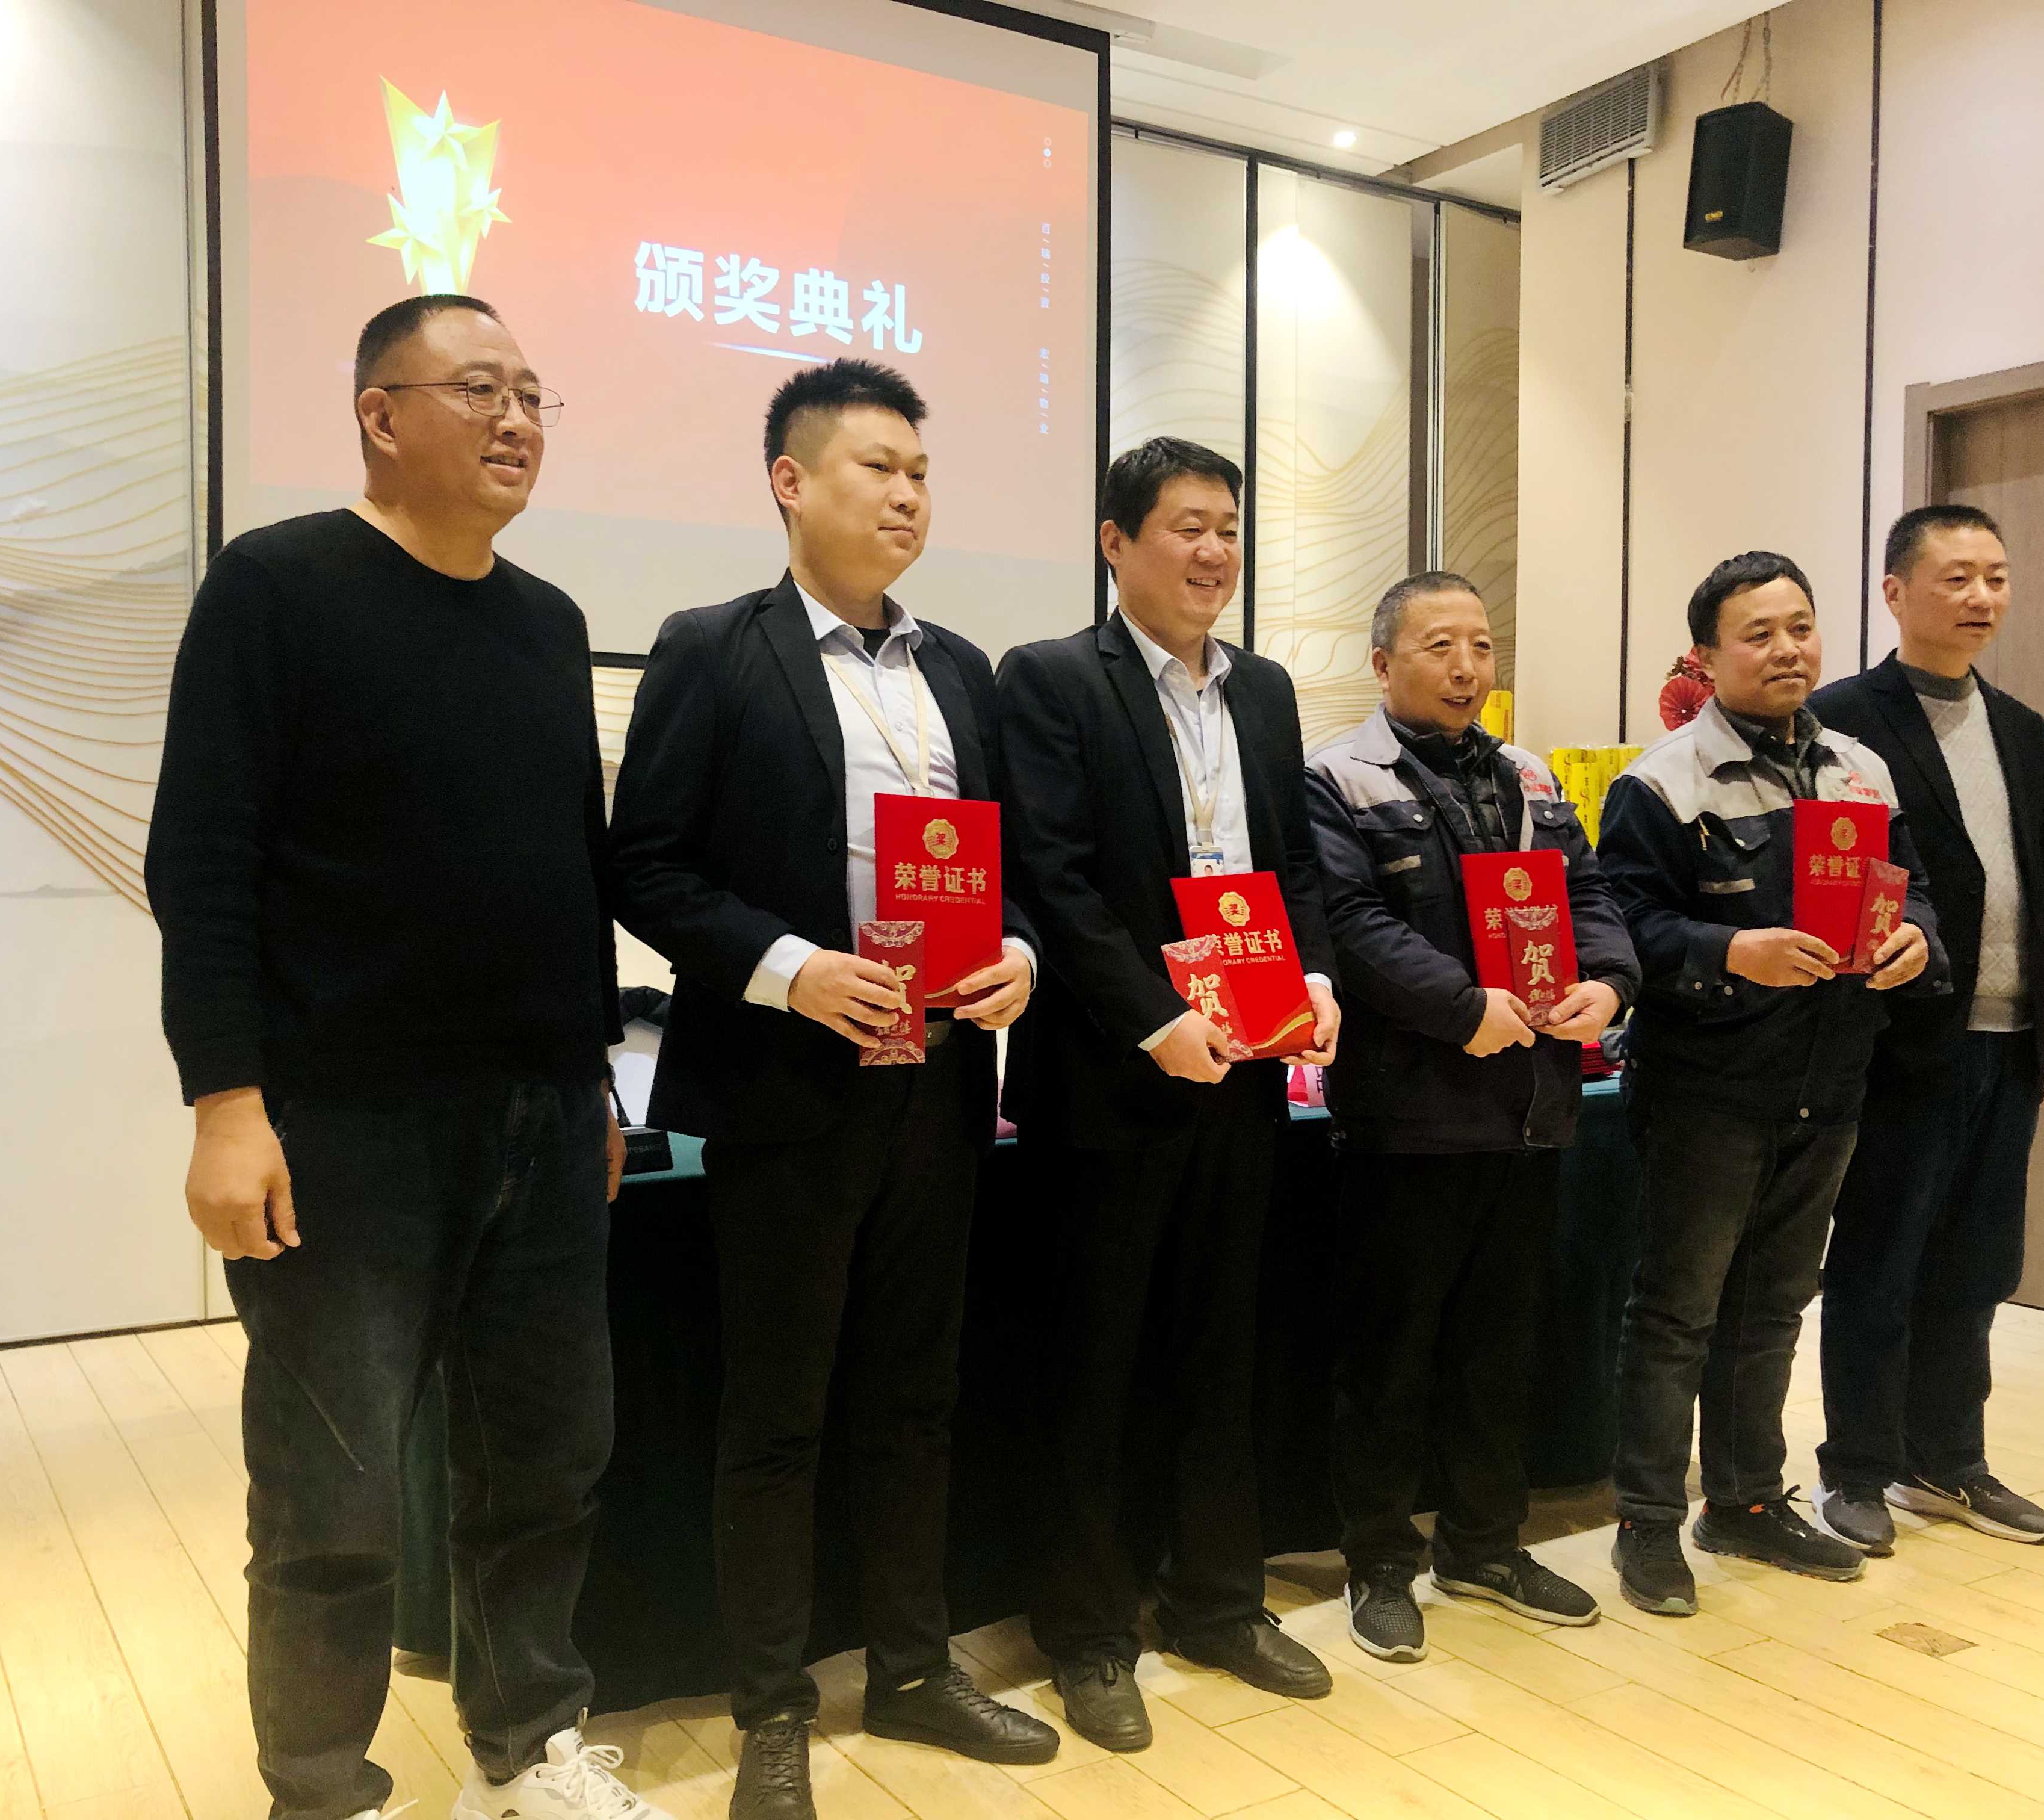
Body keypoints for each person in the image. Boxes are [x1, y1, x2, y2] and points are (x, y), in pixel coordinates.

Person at [148, 294, 662, 1820]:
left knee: (547, 1463)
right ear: (380, 413)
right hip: (344, 1125)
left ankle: (530, 1753)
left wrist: (593, 1076)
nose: (518, 420)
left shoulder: (547, 621)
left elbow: (566, 875)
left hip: (544, 1117)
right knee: (337, 1492)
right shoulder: (278, 585)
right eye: (480, 389)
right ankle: (321, 1790)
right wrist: (226, 1103)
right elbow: (203, 860)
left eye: (534, 393)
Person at [607, 360, 1056, 1820]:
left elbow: (1011, 870)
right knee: (778, 1415)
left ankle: (915, 1670)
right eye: (879, 467)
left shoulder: (962, 671)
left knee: (917, 1399)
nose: (909, 495)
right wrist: (792, 969)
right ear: (791, 483)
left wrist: (1020, 956)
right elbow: (646, 866)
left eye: (921, 471)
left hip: (941, 1087)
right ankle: (772, 1709)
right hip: (787, 1092)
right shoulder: (712, 648)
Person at [997, 436, 1342, 1753]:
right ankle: (1087, 1635)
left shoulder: (1265, 690)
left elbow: (1293, 863)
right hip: (1108, 1079)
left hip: (1245, 1072)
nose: (1214, 552)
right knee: (1092, 1362)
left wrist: (1317, 981)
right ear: (1116, 542)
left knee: (1219, 1347)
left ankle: (1217, 1602)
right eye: (1187, 526)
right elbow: (1054, 877)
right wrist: (1154, 1020)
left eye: (1229, 529)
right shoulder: (1050, 678)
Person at [1598, 549, 1943, 1618]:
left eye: (1801, 627)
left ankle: (1745, 1502)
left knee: (1775, 1307)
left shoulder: (1860, 771)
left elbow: (1914, 892)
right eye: (1759, 634)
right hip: (1707, 1088)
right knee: (1678, 1314)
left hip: (1830, 1081)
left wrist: (1917, 940)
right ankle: (1646, 1523)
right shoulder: (1662, 782)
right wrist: (1728, 951)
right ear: (1706, 656)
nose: (1788, 649)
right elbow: (1622, 927)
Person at [1305, 572, 1639, 1661]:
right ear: (1383, 663)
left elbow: (1589, 894)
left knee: (1501, 1349)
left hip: (1531, 1109)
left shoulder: (1529, 775)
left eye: (1483, 646)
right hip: (1409, 1117)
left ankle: (1485, 1546)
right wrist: (1463, 1010)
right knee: (1390, 1354)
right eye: (1439, 646)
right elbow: (1351, 923)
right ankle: (1378, 1562)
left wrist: (1609, 983)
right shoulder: (1338, 778)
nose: (1467, 668)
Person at [1808, 506, 2044, 1552]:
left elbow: (2038, 885)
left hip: (2008, 1038)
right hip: (1899, 1040)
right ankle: (1858, 1468)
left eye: (1995, 577)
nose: (1981, 598)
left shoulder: (2022, 726)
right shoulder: (1839, 719)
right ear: (1896, 592)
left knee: (1979, 1264)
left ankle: (1949, 1461)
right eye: (1956, 578)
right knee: (1881, 1257)